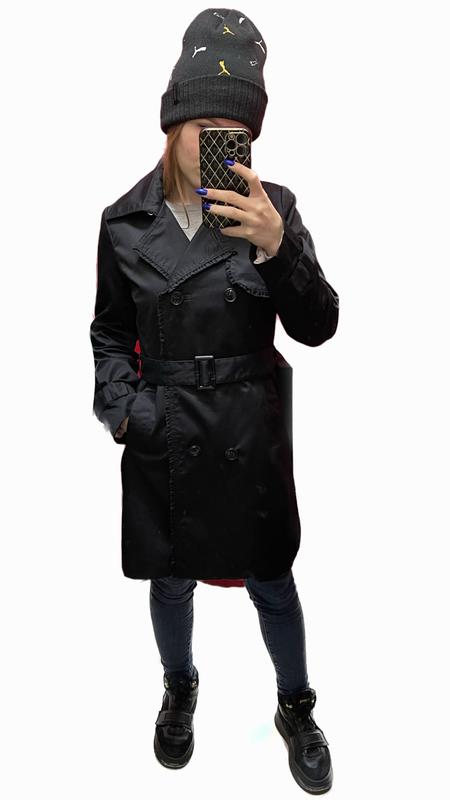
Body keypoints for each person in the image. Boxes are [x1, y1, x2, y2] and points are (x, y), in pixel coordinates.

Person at [90, 7, 339, 794]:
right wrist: (125, 410)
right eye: (206, 127)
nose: (220, 145)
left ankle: (296, 706)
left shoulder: (275, 209)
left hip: (247, 432)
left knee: (272, 578)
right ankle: (179, 687)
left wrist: (277, 246)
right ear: (173, 126)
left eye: (237, 134)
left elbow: (320, 325)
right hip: (164, 433)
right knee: (170, 580)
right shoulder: (124, 222)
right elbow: (108, 332)